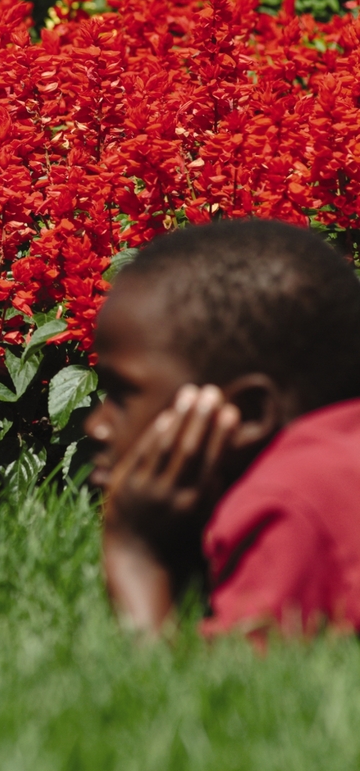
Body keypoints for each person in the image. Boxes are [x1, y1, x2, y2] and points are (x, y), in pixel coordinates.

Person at [85, 220, 360, 640]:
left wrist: (136, 554)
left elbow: (212, 697)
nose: (97, 426)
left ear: (247, 414)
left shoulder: (285, 501)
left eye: (123, 396)